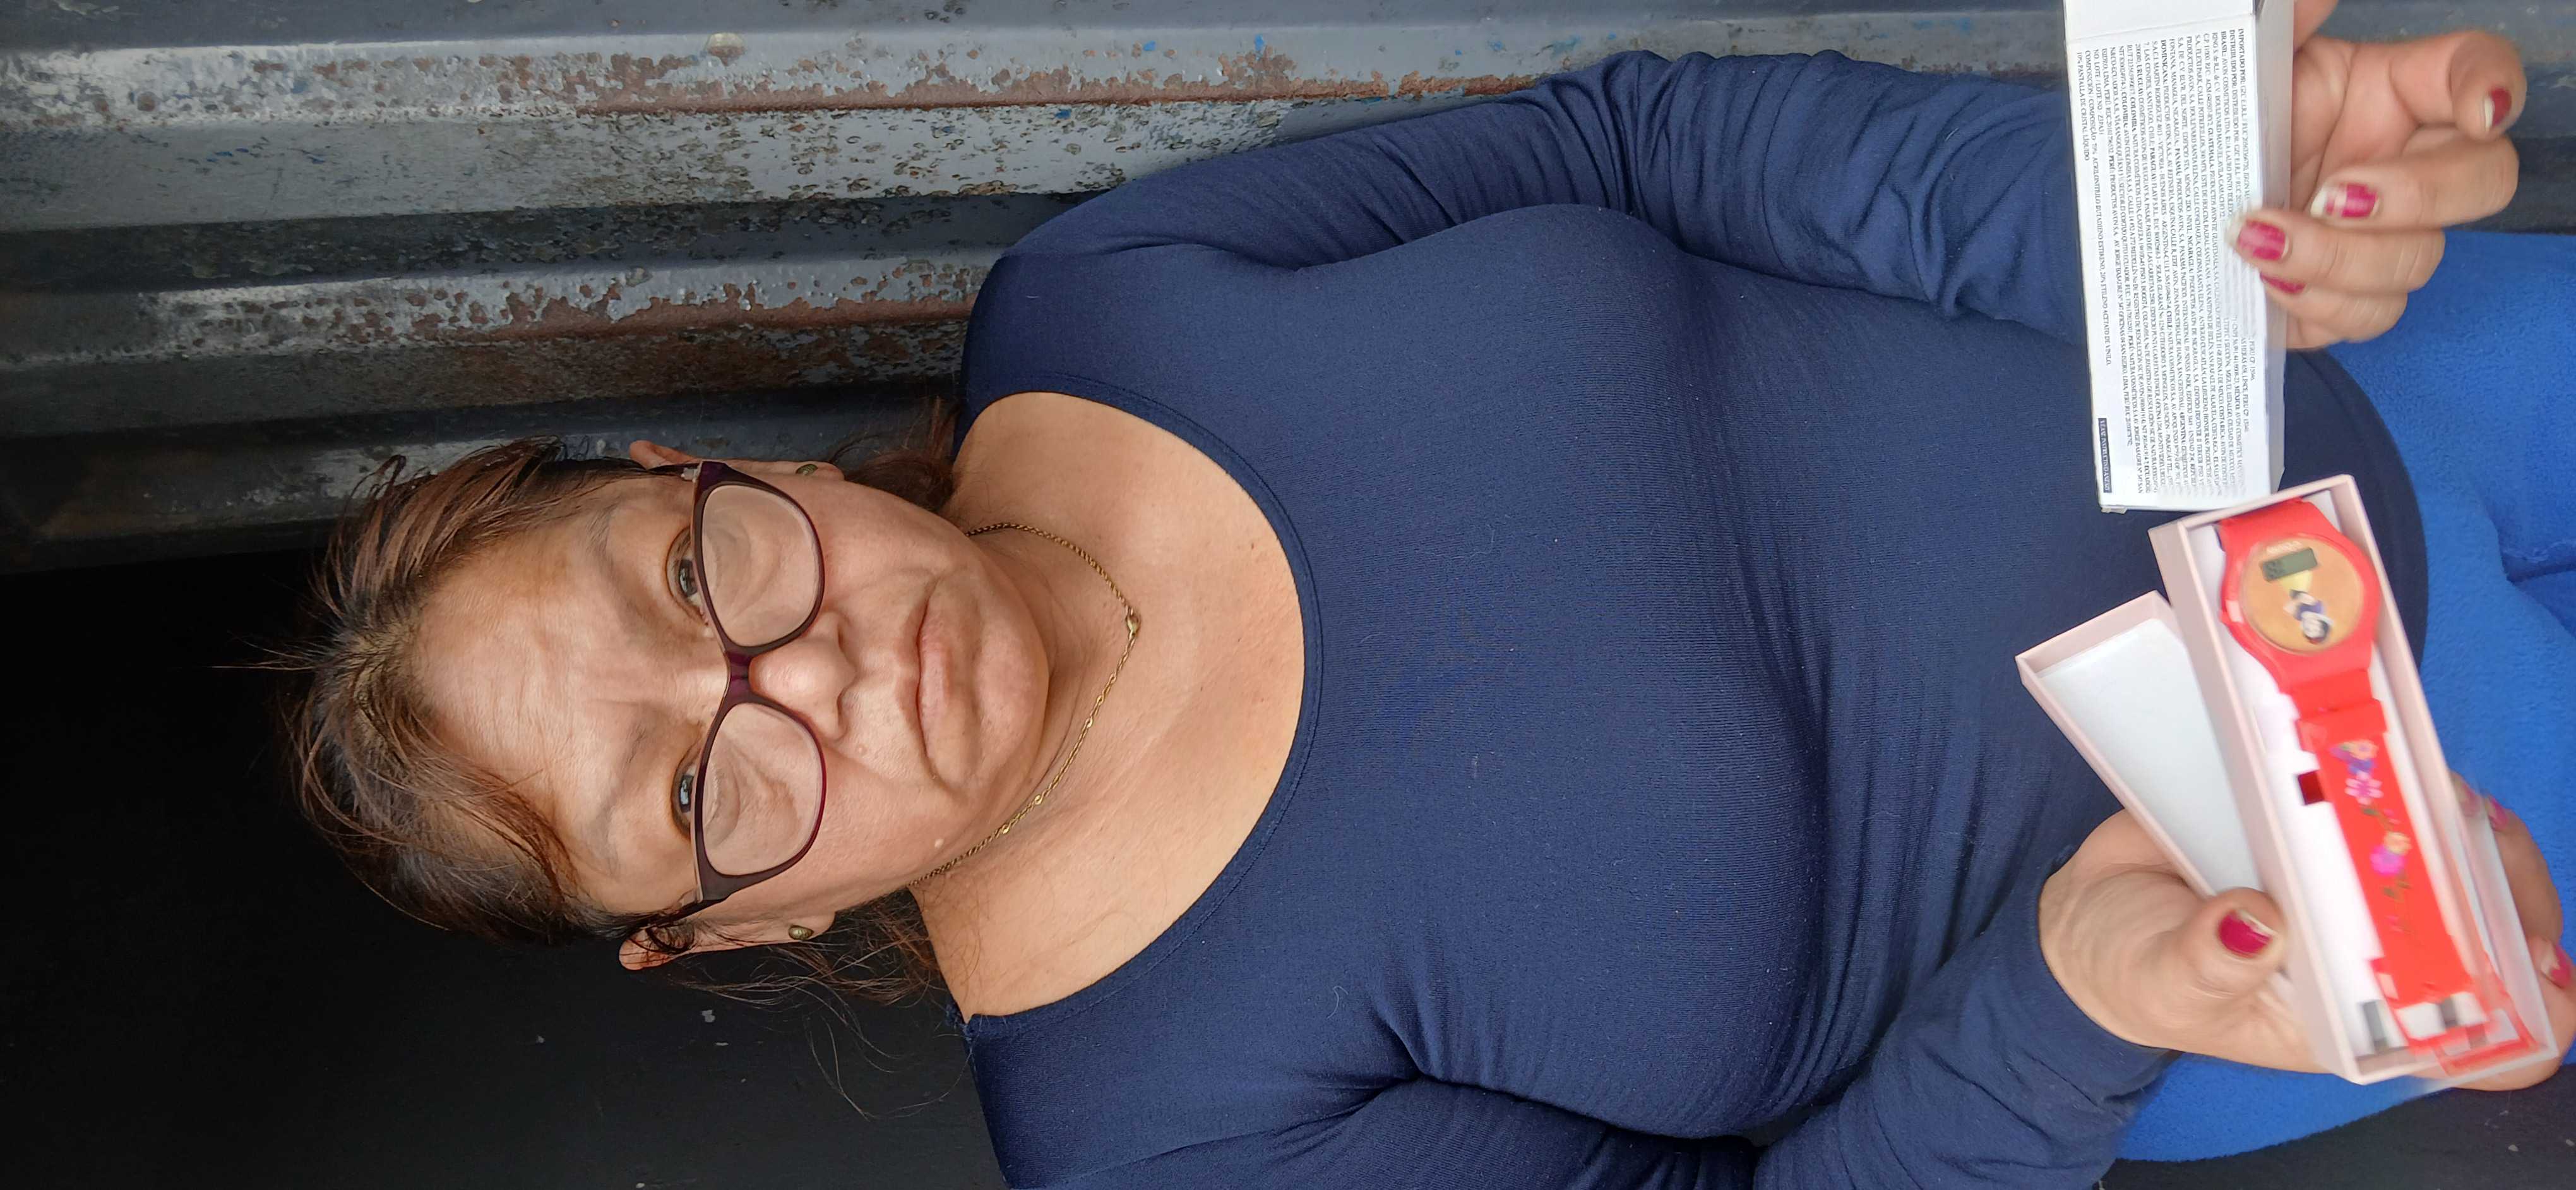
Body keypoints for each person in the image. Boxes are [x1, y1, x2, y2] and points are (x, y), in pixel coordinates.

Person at [278, 0, 2572, 1183]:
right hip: (2338, 843)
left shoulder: (1105, 298)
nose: (825, 671)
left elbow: (1642, 140)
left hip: (2380, 365)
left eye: (700, 571)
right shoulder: (1165, 1129)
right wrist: (2074, 1001)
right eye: (709, 789)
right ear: (722, 930)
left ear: (698, 466)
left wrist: (2158, 219)